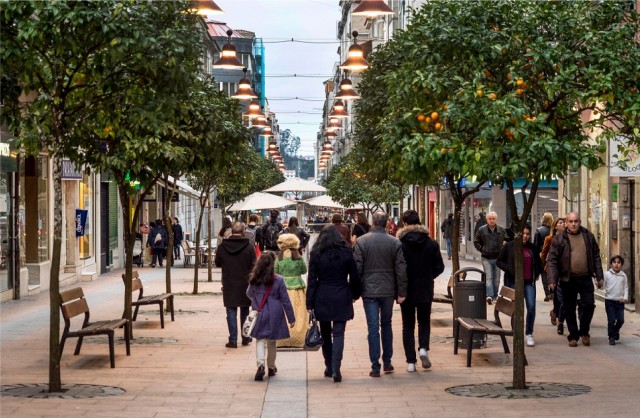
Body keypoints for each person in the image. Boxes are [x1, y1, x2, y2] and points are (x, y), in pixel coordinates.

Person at [353, 211, 407, 378]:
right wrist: (402, 290)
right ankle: (388, 362)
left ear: (372, 222)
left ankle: (375, 365)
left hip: (369, 290)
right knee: (387, 324)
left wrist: (356, 290)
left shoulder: (362, 241)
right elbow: (400, 268)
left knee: (373, 327)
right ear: (386, 223)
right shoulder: (394, 242)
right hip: (388, 289)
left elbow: (357, 268)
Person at [306, 225, 360, 382]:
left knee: (325, 334)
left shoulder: (316, 253)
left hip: (322, 296)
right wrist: (354, 294)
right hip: (342, 294)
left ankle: (329, 366)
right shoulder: (346, 252)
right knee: (339, 333)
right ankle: (336, 368)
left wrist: (309, 302)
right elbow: (355, 277)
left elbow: (312, 280)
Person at [546, 212, 604, 347]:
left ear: (580, 221)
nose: (573, 224)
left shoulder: (588, 236)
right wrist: (551, 279)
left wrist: (599, 276)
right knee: (569, 308)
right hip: (568, 278)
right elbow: (552, 261)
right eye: (571, 221)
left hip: (585, 277)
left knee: (589, 305)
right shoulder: (559, 239)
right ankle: (573, 336)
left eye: (576, 221)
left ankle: (584, 331)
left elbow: (596, 257)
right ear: (566, 222)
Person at [397, 210, 444, 372]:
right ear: (419, 222)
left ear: (404, 223)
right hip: (425, 288)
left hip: (406, 290)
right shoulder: (431, 243)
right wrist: (429, 276)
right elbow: (440, 267)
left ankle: (411, 362)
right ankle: (423, 347)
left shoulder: (400, 244)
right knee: (424, 322)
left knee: (407, 326)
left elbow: (397, 268)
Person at [247, 252, 295, 381]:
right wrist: (291, 318)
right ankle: (271, 367)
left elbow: (249, 293)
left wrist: (257, 299)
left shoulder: (254, 279)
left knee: (260, 340)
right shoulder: (278, 279)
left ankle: (260, 365)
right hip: (275, 314)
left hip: (260, 312)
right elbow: (285, 300)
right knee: (272, 341)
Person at [496, 223, 542, 347]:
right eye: (523, 234)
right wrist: (509, 269)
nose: (525, 236)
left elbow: (539, 263)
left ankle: (529, 333)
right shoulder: (510, 247)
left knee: (531, 307)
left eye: (528, 234)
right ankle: (516, 331)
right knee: (516, 308)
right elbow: (499, 261)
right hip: (514, 281)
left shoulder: (533, 248)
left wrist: (536, 273)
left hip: (528, 282)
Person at [214, 221, 256, 348]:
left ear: (231, 231)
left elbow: (217, 263)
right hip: (245, 283)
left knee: (231, 311)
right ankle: (245, 337)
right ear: (243, 232)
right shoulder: (249, 247)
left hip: (229, 282)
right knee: (245, 310)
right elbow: (254, 265)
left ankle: (232, 340)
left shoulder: (222, 247)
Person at [274, 234, 308, 348]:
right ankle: (298, 338)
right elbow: (304, 270)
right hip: (298, 288)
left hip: (282, 288)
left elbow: (275, 271)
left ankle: (282, 338)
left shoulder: (279, 258)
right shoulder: (298, 257)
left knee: (282, 312)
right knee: (299, 313)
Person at [473, 211, 506, 304]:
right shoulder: (481, 230)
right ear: (487, 220)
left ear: (496, 219)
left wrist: (504, 247)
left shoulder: (501, 230)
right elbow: (476, 242)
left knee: (497, 279)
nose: (491, 220)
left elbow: (507, 240)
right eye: (490, 219)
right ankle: (490, 296)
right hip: (486, 257)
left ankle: (495, 295)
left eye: (493, 219)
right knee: (489, 277)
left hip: (498, 258)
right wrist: (482, 249)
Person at [541, 217, 567, 335]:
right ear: (555, 226)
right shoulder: (549, 238)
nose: (563, 224)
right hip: (553, 271)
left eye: (563, 222)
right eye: (560, 223)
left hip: (565, 271)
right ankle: (557, 313)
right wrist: (541, 269)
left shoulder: (569, 238)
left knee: (563, 297)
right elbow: (544, 253)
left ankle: (556, 312)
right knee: (557, 295)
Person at [603, 255, 628, 346]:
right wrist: (599, 284)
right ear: (611, 264)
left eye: (618, 262)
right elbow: (603, 286)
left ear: (621, 264)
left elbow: (626, 288)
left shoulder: (623, 275)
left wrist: (625, 298)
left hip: (620, 301)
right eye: (614, 262)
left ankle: (616, 330)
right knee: (611, 320)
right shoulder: (607, 274)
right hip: (609, 300)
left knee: (621, 320)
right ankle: (611, 337)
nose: (616, 264)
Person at [534, 212, 554, 301]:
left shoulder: (539, 230)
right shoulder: (554, 230)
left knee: (544, 274)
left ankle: (547, 293)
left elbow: (536, 245)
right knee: (552, 272)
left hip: (543, 254)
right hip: (553, 254)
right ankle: (553, 291)